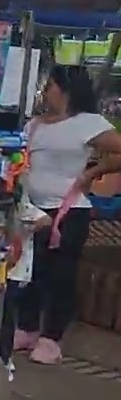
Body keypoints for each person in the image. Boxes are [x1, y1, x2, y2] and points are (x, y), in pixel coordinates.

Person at [14, 64, 121, 364]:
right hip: (31, 209)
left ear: (65, 90)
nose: (45, 91)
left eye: (50, 85)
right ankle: (28, 327)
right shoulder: (35, 124)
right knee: (30, 271)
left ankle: (52, 338)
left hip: (68, 211)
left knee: (60, 275)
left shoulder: (88, 123)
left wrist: (94, 173)